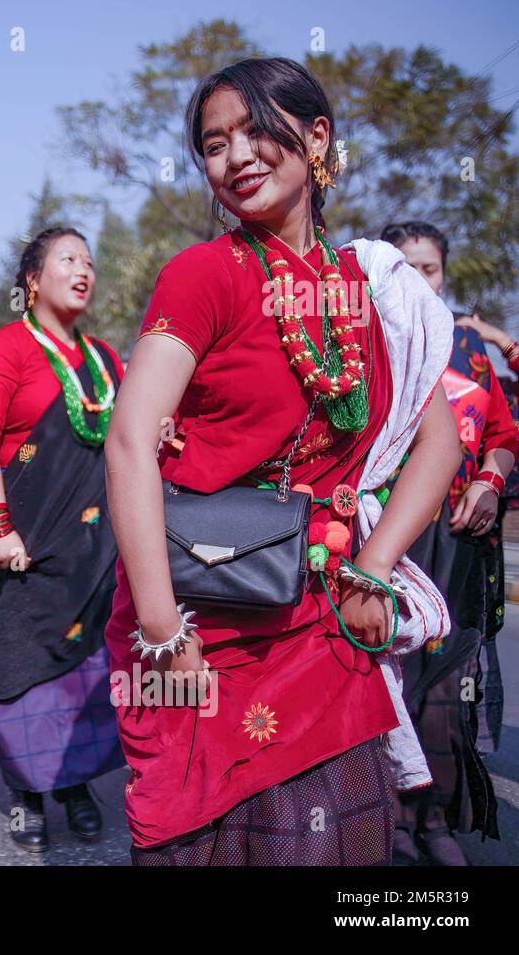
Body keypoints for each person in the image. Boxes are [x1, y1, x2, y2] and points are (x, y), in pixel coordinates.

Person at [104, 57, 460, 865]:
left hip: (322, 617)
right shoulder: (203, 274)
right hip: (197, 612)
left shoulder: (376, 291)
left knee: (332, 837)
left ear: (317, 137)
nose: (237, 156)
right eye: (214, 143)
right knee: (194, 831)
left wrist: (374, 567)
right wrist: (162, 630)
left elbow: (439, 443)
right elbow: (130, 441)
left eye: (257, 130)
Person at [0, 227, 124, 852]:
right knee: (24, 666)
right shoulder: (4, 349)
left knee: (87, 665)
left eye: (88, 261)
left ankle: (75, 785)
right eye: (67, 259)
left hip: (94, 545)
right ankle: (27, 793)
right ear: (32, 281)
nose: (83, 269)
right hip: (24, 540)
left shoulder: (106, 359)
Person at [378, 220, 516, 864]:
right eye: (404, 269)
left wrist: (489, 481)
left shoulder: (469, 349)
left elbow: (504, 435)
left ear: (445, 276)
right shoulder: (364, 341)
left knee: (444, 693)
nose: (418, 282)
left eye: (429, 270)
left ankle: (434, 823)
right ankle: (391, 824)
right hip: (383, 542)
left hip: (457, 543)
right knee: (388, 688)